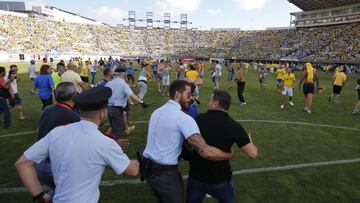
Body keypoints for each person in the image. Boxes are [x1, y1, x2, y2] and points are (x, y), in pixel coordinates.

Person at [15, 87, 140, 203]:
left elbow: (22, 163)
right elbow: (132, 171)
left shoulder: (57, 132)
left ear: (80, 111)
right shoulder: (105, 143)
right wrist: (136, 162)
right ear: (102, 112)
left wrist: (39, 197)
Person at [143, 80, 235, 203]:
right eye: (188, 94)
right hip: (165, 175)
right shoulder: (183, 118)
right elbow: (205, 151)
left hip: (148, 170)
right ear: (177, 94)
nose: (191, 98)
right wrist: (229, 154)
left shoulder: (157, 112)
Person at [186, 90, 258, 203]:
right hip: (219, 179)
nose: (209, 103)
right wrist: (250, 142)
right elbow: (253, 153)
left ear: (216, 103)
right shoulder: (234, 126)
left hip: (196, 176)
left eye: (211, 100)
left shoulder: (198, 119)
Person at [35, 82, 80, 199]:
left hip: (39, 164)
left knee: (58, 190)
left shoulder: (47, 109)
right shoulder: (71, 115)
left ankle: (47, 198)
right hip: (54, 166)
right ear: (73, 96)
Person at [105, 67, 148, 137]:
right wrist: (142, 103)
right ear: (123, 74)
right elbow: (132, 95)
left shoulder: (109, 83)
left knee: (114, 126)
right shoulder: (123, 84)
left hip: (108, 109)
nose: (126, 74)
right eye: (125, 72)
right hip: (117, 110)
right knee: (116, 131)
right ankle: (111, 143)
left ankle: (112, 137)